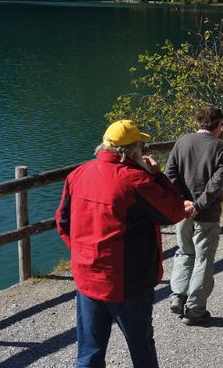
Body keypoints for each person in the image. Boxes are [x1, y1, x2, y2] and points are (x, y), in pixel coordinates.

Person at [56, 120, 193, 368]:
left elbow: (63, 221)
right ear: (131, 151)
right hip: (127, 282)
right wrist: (157, 175)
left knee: (89, 352)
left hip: (88, 277)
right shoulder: (134, 180)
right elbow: (173, 212)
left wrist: (81, 254)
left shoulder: (78, 174)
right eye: (141, 145)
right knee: (141, 347)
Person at [166, 106, 223, 326]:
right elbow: (216, 183)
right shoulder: (221, 148)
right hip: (207, 214)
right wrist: (199, 206)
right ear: (218, 125)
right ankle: (195, 310)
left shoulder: (181, 142)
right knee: (203, 259)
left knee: (184, 252)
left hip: (182, 213)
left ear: (199, 123)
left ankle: (178, 295)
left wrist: (183, 202)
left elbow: (170, 175)